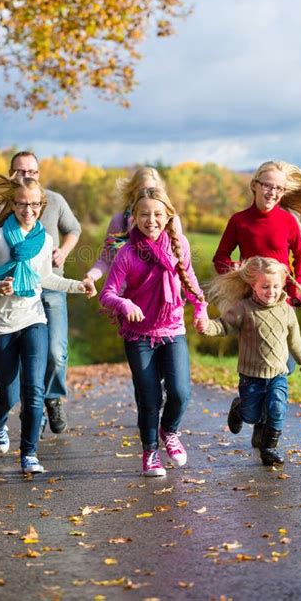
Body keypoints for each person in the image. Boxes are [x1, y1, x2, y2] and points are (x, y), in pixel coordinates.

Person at [0, 175, 96, 474]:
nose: (29, 210)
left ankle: (29, 453)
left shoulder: (44, 239)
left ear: (42, 205)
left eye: (35, 204)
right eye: (23, 204)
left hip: (34, 318)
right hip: (2, 325)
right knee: (9, 396)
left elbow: (45, 279)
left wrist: (79, 286)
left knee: (34, 389)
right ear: (13, 204)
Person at [212, 160, 301, 445]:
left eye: (279, 188)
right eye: (267, 186)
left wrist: (298, 291)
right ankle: (249, 410)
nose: (273, 192)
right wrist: (237, 271)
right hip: (251, 302)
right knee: (268, 363)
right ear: (255, 186)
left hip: (281, 300)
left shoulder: (288, 221)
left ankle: (265, 420)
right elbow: (220, 257)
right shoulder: (239, 221)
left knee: (285, 366)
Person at [99, 187, 207, 477]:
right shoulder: (127, 253)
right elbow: (107, 294)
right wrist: (124, 303)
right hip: (139, 336)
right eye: (144, 214)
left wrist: (200, 308)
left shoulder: (178, 243)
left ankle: (169, 431)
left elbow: (189, 278)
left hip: (172, 328)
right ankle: (150, 452)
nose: (151, 220)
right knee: (149, 398)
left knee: (180, 393)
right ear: (134, 217)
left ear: (169, 215)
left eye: (158, 213)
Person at [196, 256, 301, 466]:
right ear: (253, 285)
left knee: (277, 407)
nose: (271, 291)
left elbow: (295, 343)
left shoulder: (287, 311)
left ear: (282, 285)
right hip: (251, 377)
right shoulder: (244, 309)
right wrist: (206, 326)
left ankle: (269, 449)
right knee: (251, 415)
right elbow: (223, 325)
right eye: (265, 286)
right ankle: (238, 408)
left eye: (276, 286)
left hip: (278, 374)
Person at [8, 152, 82, 436]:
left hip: (51, 285)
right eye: (20, 171)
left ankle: (52, 397)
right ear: (10, 173)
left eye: (32, 171)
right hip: (18, 292)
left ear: (39, 174)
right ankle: (33, 410)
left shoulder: (54, 200)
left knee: (55, 351)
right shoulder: (5, 205)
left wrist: (63, 251)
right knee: (28, 355)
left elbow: (73, 229)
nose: (27, 175)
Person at [85, 166, 182, 284]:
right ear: (133, 191)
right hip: (125, 294)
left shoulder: (172, 221)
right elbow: (106, 258)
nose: (148, 194)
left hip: (161, 294)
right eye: (143, 190)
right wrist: (91, 276)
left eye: (153, 190)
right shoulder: (119, 221)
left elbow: (179, 260)